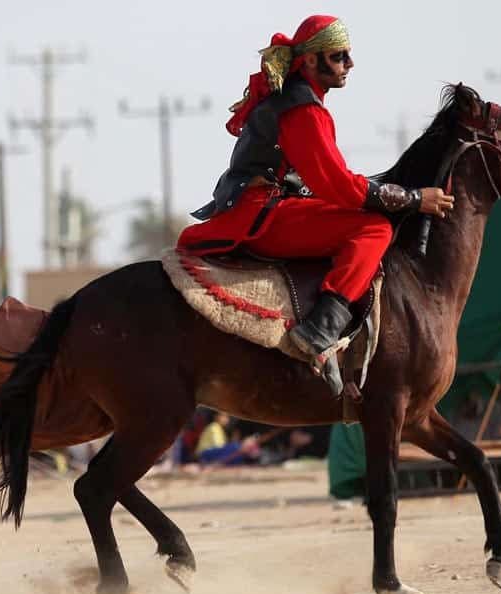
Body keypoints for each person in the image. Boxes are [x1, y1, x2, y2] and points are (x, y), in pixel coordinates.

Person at [177, 15, 454, 395]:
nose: (349, 64)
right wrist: (413, 199)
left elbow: (329, 182)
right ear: (310, 61)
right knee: (374, 228)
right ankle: (322, 327)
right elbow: (337, 184)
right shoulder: (302, 111)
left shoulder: (297, 103)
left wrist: (382, 193)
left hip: (262, 207)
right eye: (339, 56)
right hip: (262, 214)